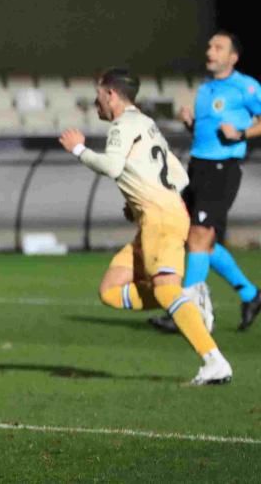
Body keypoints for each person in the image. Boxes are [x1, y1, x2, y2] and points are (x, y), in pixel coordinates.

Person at [59, 68, 232, 385]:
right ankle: (187, 300)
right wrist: (138, 200)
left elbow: (111, 166)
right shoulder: (146, 124)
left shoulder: (123, 125)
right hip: (158, 216)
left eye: (99, 93)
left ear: (111, 93)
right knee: (110, 290)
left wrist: (78, 149)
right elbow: (178, 175)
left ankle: (214, 361)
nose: (96, 101)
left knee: (166, 288)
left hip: (160, 218)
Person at [150, 32, 261, 334]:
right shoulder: (205, 89)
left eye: (218, 47)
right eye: (209, 46)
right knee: (198, 242)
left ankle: (185, 312)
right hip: (197, 168)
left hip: (222, 169)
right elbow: (207, 132)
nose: (209, 51)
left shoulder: (247, 86)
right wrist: (191, 125)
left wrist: (241, 134)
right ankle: (251, 295)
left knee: (198, 237)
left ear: (233, 57)